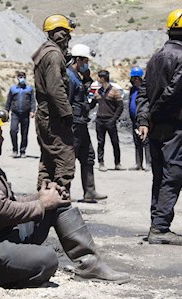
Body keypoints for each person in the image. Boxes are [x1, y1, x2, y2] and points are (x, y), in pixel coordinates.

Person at [0, 104, 130, 287]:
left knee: (58, 202)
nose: (3, 138)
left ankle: (91, 266)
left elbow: (8, 202)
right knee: (48, 259)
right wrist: (42, 204)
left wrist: (41, 197)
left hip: (0, 235)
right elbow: (1, 211)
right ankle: (3, 277)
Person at [135, 9, 182, 245]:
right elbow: (173, 92)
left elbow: (144, 91)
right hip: (171, 124)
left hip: (156, 124)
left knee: (159, 175)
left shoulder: (157, 56)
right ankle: (160, 228)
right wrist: (150, 116)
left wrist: (144, 118)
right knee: (173, 175)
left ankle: (156, 225)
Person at [32, 14, 76, 191]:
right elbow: (55, 88)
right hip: (54, 118)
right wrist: (67, 113)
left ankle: (44, 210)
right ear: (62, 34)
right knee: (64, 161)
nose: (68, 38)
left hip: (45, 115)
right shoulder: (54, 55)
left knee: (48, 161)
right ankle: (59, 209)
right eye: (67, 33)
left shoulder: (45, 52)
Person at [67, 44, 107, 203]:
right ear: (78, 59)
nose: (86, 64)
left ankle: (89, 192)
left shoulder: (78, 76)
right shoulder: (69, 76)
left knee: (88, 156)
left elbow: (82, 98)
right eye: (84, 61)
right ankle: (65, 193)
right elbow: (68, 102)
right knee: (69, 159)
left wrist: (88, 80)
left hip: (82, 123)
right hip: (74, 124)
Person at [94, 70, 125, 172]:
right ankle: (101, 162)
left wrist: (114, 119)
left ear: (103, 79)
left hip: (110, 121)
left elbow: (120, 106)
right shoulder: (97, 91)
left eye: (99, 78)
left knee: (115, 142)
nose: (97, 80)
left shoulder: (115, 91)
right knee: (100, 142)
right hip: (100, 121)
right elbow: (92, 104)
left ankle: (117, 163)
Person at [5, 71, 36, 158]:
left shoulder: (29, 89)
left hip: (25, 114)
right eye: (20, 77)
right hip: (15, 114)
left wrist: (33, 111)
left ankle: (23, 150)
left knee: (24, 133)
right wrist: (6, 112)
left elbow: (33, 101)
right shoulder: (13, 89)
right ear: (17, 78)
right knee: (13, 131)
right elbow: (8, 101)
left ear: (25, 78)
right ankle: (15, 150)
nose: (21, 78)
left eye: (23, 77)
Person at [128, 66, 151, 171]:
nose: (131, 80)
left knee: (145, 141)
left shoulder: (146, 89)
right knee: (137, 142)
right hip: (134, 120)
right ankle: (138, 163)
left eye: (133, 78)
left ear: (137, 78)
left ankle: (148, 163)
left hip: (143, 120)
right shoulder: (132, 90)